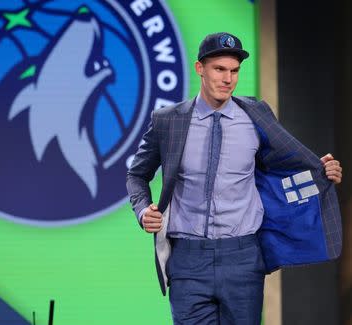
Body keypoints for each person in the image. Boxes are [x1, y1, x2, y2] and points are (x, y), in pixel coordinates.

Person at [126, 32, 343, 325]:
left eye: (234, 71)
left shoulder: (256, 114)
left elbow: (286, 165)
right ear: (199, 68)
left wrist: (323, 171)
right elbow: (137, 174)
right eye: (219, 69)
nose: (228, 79)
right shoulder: (169, 121)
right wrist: (142, 211)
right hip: (188, 261)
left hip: (242, 257)